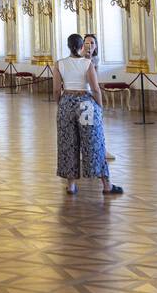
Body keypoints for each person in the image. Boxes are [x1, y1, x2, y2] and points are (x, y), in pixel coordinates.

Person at [52, 33, 123, 197]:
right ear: (82, 47)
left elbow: (56, 89)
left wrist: (61, 103)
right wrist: (99, 106)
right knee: (94, 143)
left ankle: (71, 185)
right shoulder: (87, 63)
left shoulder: (59, 64)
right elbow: (95, 88)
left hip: (66, 102)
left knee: (67, 144)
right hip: (86, 104)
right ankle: (106, 184)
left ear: (68, 46)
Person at [82, 31, 115, 163]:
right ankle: (85, 151)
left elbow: (95, 79)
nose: (90, 45)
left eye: (92, 43)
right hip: (84, 95)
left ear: (96, 46)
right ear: (82, 45)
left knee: (97, 124)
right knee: (86, 125)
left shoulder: (95, 59)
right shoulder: (79, 59)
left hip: (92, 93)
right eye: (87, 43)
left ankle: (101, 149)